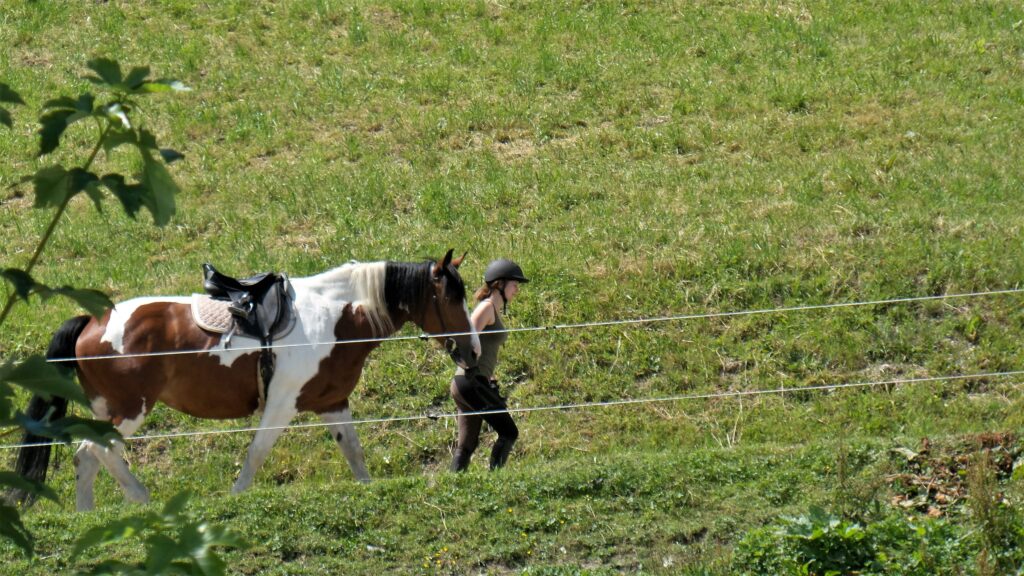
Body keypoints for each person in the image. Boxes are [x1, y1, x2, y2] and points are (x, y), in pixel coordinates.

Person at [449, 258, 529, 472]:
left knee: (467, 444)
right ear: (499, 284)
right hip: (470, 382)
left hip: (470, 382)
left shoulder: (492, 309)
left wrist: (487, 375)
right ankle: (495, 481)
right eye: (514, 284)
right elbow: (466, 337)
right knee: (509, 432)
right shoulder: (486, 308)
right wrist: (474, 368)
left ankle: (452, 485)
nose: (517, 290)